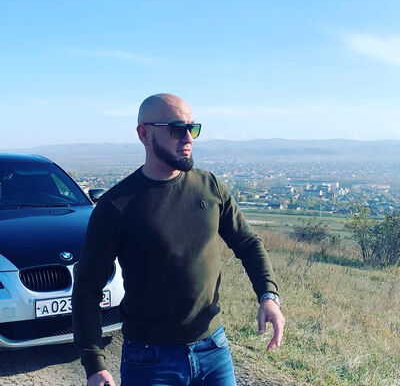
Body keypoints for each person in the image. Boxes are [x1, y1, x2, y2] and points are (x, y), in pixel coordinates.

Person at [72, 93, 285, 386]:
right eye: (176, 129)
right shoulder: (116, 205)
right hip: (149, 360)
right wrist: (94, 363)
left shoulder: (210, 187)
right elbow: (87, 287)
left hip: (213, 349)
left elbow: (248, 243)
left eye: (192, 128)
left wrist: (268, 297)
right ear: (144, 134)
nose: (188, 138)